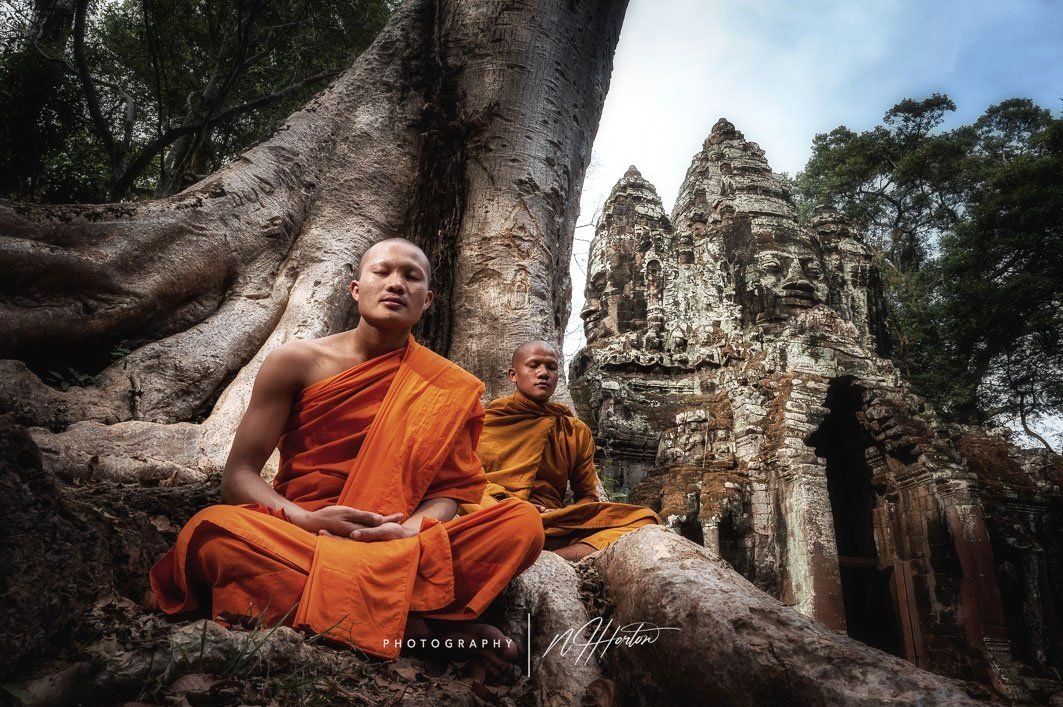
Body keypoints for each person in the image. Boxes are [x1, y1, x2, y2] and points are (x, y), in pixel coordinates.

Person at [148, 238, 544, 675]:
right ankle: (418, 631)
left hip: (396, 544)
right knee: (216, 533)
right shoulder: (295, 361)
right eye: (383, 272)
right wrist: (306, 520)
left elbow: (448, 491)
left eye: (412, 276)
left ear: (427, 300)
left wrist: (411, 531)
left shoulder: (448, 386)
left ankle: (362, 615)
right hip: (303, 534)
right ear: (356, 288)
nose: (396, 284)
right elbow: (238, 475)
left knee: (521, 523)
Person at [475, 340, 660, 561]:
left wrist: (556, 514)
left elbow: (587, 496)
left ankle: (552, 558)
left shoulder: (573, 430)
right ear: (513, 374)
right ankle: (535, 550)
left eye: (551, 367)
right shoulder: (486, 423)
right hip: (498, 515)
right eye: (533, 366)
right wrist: (511, 504)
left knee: (645, 519)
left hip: (551, 522)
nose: (543, 373)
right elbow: (467, 481)